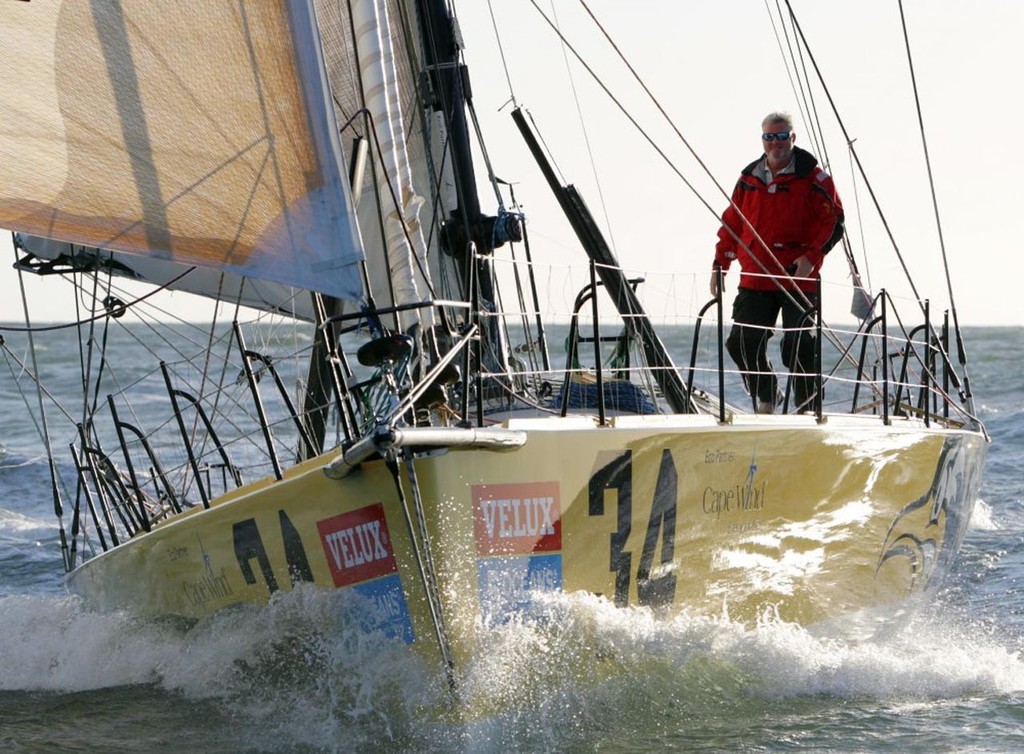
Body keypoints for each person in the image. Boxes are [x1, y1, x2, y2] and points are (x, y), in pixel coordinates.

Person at [712, 112, 844, 413]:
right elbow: (731, 225)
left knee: (799, 348)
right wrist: (720, 265)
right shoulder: (748, 179)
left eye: (782, 136)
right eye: (770, 137)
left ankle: (808, 411)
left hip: (797, 278)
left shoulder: (815, 178)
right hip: (755, 276)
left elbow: (834, 222)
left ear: (792, 139)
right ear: (763, 140)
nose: (776, 143)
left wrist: (811, 258)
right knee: (741, 344)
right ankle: (768, 395)